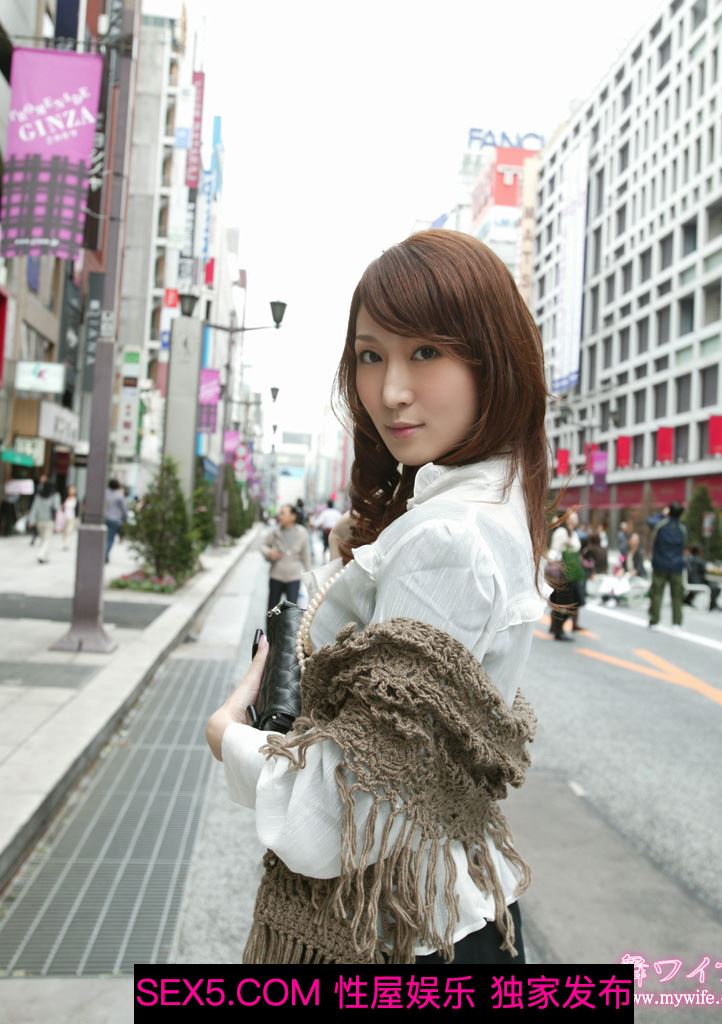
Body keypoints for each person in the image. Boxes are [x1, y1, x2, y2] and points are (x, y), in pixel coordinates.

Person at [206, 229, 552, 965]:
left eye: (425, 351)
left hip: (405, 939)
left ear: (493, 359)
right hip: (446, 915)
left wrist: (227, 736)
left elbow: (345, 814)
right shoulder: (487, 505)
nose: (391, 390)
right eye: (371, 356)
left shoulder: (449, 539)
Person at [260, 503, 312, 614]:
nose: (280, 516)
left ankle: (287, 626)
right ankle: (271, 626)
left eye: (283, 513)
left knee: (291, 613)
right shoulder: (275, 532)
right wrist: (269, 552)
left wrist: (310, 579)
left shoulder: (302, 533)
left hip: (293, 578)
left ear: (293, 516)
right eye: (280, 513)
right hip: (276, 576)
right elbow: (263, 545)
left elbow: (306, 557)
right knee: (272, 612)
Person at [648, 502, 687, 628]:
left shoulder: (660, 525)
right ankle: (676, 623)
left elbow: (649, 521)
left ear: (669, 511)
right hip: (676, 566)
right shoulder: (682, 528)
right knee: (677, 596)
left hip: (660, 564)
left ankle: (654, 620)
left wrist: (662, 514)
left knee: (657, 594)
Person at [549, 510, 585, 640]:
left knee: (567, 601)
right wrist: (568, 543)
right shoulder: (562, 532)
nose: (573, 522)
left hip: (569, 572)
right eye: (571, 519)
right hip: (562, 572)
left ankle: (556, 628)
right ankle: (558, 630)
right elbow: (556, 549)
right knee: (564, 602)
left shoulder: (570, 532)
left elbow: (575, 547)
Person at [683, 544, 722, 612]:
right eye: (701, 551)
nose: (702, 553)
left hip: (691, 581)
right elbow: (709, 569)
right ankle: (713, 605)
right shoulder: (698, 560)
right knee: (716, 587)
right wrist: (719, 571)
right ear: (698, 552)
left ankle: (687, 600)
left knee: (712, 584)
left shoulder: (689, 559)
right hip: (697, 582)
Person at [27, 480, 60, 563]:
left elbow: (34, 509)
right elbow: (57, 508)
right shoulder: (55, 496)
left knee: (43, 539)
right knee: (47, 540)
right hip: (49, 521)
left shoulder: (38, 496)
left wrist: (31, 520)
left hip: (39, 521)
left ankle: (45, 557)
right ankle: (41, 554)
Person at [104, 479, 128, 563]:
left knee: (104, 538)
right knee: (110, 539)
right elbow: (124, 509)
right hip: (115, 520)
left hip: (105, 518)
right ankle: (105, 555)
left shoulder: (105, 493)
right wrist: (125, 518)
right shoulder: (119, 496)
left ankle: (102, 554)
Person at [61, 484, 81, 551]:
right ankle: (64, 542)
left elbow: (77, 510)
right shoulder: (65, 498)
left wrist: (77, 518)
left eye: (73, 490)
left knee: (69, 531)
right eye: (70, 489)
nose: (72, 491)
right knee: (64, 531)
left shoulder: (76, 500)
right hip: (65, 517)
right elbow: (62, 508)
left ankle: (66, 544)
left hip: (72, 517)